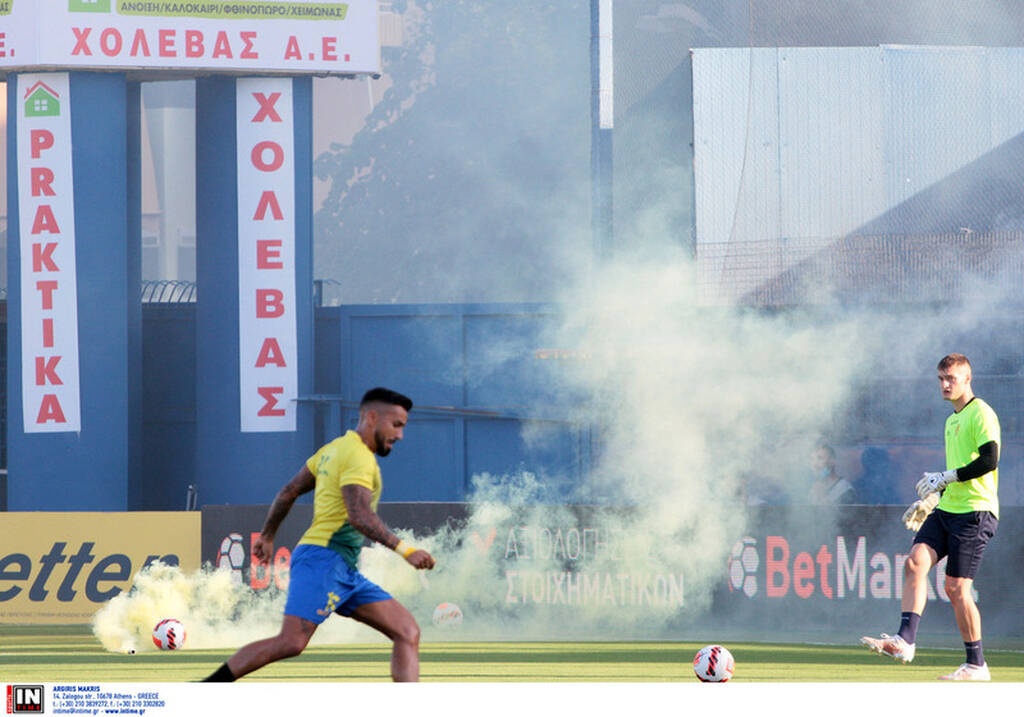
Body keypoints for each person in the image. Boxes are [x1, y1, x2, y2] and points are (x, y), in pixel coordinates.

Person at [203, 387, 435, 682]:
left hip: (342, 568)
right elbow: (360, 515)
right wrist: (406, 550)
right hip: (324, 561)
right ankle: (206, 689)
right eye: (396, 425)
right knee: (290, 642)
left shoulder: (333, 450)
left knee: (406, 630)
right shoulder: (358, 457)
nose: (400, 435)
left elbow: (289, 491)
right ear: (372, 417)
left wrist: (267, 535)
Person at [861, 354, 1000, 681]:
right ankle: (905, 641)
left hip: (975, 511)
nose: (945, 384)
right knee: (914, 563)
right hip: (948, 508)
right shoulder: (951, 420)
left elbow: (990, 460)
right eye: (940, 379)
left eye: (951, 378)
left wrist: (946, 477)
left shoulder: (981, 412)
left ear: (967, 378)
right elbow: (953, 474)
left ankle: (976, 665)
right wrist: (932, 497)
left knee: (956, 588)